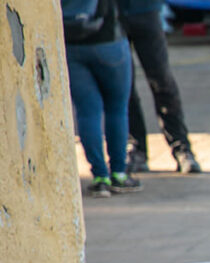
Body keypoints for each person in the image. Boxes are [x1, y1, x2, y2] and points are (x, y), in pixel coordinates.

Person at [63, 0, 142, 197]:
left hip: (71, 44)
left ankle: (100, 178)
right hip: (109, 42)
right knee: (117, 109)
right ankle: (118, 174)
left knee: (87, 112)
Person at [119, 0, 201, 174]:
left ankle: (182, 148)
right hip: (113, 15)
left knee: (161, 80)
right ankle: (136, 148)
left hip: (146, 11)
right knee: (124, 86)